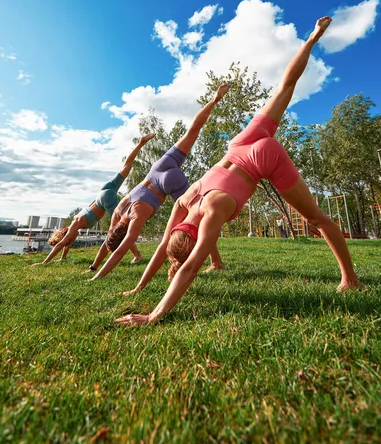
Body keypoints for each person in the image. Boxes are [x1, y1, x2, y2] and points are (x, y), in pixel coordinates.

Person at [114, 16, 362, 327]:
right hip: (239, 146)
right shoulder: (185, 202)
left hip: (261, 158)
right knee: (285, 88)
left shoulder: (212, 214)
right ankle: (312, 38)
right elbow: (165, 249)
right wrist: (139, 286)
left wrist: (154, 316)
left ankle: (350, 279)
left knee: (315, 218)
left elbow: (188, 267)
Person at [88, 84, 230, 279]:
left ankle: (216, 262)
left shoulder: (136, 219)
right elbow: (110, 238)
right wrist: (92, 266)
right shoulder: (119, 211)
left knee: (198, 217)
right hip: (157, 169)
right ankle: (215, 99)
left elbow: (119, 250)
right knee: (192, 131)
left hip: (168, 184)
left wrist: (96, 274)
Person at [30, 133, 155, 266]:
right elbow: (66, 244)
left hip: (105, 199)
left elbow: (62, 243)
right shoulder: (76, 224)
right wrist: (63, 257)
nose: (68, 241)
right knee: (126, 167)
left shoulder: (75, 224)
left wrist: (44, 262)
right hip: (103, 192)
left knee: (119, 229)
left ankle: (137, 256)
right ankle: (141, 143)